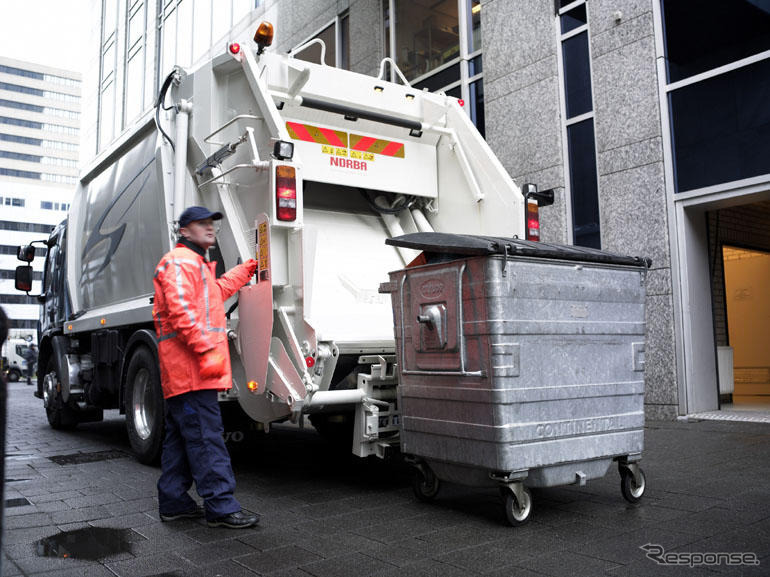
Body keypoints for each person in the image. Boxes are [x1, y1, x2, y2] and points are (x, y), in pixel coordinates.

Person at [153, 206, 259, 529]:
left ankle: (174, 501)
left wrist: (247, 270)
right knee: (206, 439)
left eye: (212, 223)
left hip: (186, 373)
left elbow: (218, 292)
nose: (210, 228)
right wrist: (205, 352)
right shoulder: (179, 263)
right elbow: (183, 314)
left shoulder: (195, 265)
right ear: (184, 231)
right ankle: (221, 505)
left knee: (182, 440)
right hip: (193, 372)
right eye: (202, 224)